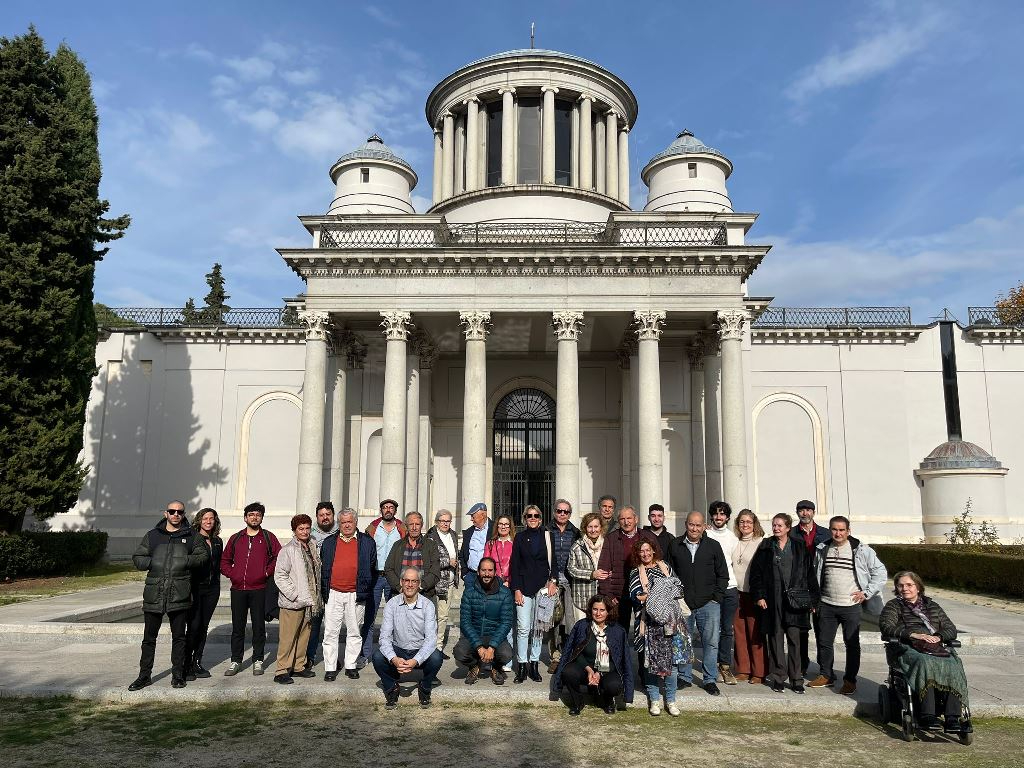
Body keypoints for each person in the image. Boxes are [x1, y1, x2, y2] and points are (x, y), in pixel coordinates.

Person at [129, 501, 209, 690]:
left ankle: (178, 675)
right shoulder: (153, 536)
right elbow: (138, 558)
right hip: (154, 593)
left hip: (179, 594)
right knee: (149, 639)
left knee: (179, 638)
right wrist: (154, 561)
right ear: (165, 513)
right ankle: (144, 676)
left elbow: (202, 556)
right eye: (172, 511)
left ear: (183, 514)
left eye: (179, 512)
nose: (175, 514)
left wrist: (183, 560)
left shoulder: (192, 536)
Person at [879, 572, 971, 733]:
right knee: (924, 662)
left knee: (954, 664)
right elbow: (887, 626)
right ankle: (927, 715)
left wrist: (938, 636)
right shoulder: (893, 606)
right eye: (900, 585)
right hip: (907, 647)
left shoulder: (932, 606)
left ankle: (952, 717)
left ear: (918, 587)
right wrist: (912, 634)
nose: (904, 589)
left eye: (909, 585)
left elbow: (951, 629)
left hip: (934, 646)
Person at [809, 515, 888, 695]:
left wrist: (866, 592)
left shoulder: (861, 550)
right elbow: (816, 575)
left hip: (850, 606)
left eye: (842, 530)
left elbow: (880, 572)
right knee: (824, 642)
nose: (838, 533)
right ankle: (826, 675)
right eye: (835, 529)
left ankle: (850, 680)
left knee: (851, 644)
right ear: (830, 530)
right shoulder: (823, 548)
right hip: (827, 604)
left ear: (848, 531)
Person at [750, 512, 819, 693]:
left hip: (795, 601)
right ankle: (779, 676)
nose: (776, 528)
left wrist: (813, 599)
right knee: (775, 638)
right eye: (774, 525)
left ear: (788, 528)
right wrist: (760, 596)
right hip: (773, 600)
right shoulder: (766, 546)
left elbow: (809, 574)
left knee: (795, 639)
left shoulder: (799, 546)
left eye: (780, 525)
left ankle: (797, 678)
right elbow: (756, 574)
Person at [667, 510, 728, 695]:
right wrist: (674, 598)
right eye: (691, 524)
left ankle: (709, 679)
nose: (694, 528)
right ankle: (685, 677)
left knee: (711, 642)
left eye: (698, 525)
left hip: (708, 603)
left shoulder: (713, 546)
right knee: (683, 642)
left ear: (704, 526)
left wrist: (716, 597)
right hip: (682, 604)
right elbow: (668, 573)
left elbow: (723, 575)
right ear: (686, 524)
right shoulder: (675, 545)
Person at [629, 539, 690, 716]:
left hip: (670, 623)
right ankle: (654, 700)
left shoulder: (666, 567)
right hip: (648, 623)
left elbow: (678, 589)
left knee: (672, 663)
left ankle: (671, 700)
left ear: (654, 551)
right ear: (638, 554)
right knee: (650, 663)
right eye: (642, 551)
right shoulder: (635, 572)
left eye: (648, 550)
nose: (645, 554)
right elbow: (634, 596)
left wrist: (655, 594)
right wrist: (658, 595)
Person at [221, 501, 281, 677]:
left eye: (258, 515)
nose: (254, 517)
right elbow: (225, 560)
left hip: (259, 588)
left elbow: (278, 557)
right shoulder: (236, 538)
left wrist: (266, 572)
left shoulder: (268, 537)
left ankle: (258, 660)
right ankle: (236, 660)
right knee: (237, 627)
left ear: (262, 518)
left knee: (258, 626)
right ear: (245, 517)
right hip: (238, 589)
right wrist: (233, 574)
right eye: (251, 514)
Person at [373, 567, 445, 709]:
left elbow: (431, 639)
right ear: (401, 582)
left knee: (437, 657)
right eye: (406, 580)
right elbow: (384, 638)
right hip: (399, 649)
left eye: (414, 581)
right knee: (377, 657)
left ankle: (424, 687)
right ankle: (391, 687)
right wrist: (394, 658)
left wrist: (415, 661)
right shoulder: (391, 604)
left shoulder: (428, 605)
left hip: (419, 650)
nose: (410, 585)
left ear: (419, 584)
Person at [553, 595, 635, 716]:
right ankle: (577, 702)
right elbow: (575, 652)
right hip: (585, 668)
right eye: (595, 609)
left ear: (608, 611)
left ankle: (606, 700)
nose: (598, 613)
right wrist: (589, 669)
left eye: (602, 610)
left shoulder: (617, 631)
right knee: (568, 672)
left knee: (614, 685)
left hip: (607, 670)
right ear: (590, 610)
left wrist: (599, 673)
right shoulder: (582, 626)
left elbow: (619, 659)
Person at [320, 509, 376, 681]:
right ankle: (330, 667)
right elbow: (324, 564)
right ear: (339, 523)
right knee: (330, 632)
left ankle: (351, 665)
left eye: (349, 521)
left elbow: (372, 565)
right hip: (334, 592)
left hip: (355, 593)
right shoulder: (329, 542)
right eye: (343, 522)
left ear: (356, 522)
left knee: (354, 631)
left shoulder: (367, 542)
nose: (346, 525)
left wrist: (364, 586)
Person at [510, 504, 558, 683]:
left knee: (538, 629)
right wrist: (516, 589)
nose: (532, 518)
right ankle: (522, 665)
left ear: (540, 518)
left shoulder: (547, 536)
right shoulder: (520, 538)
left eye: (536, 515)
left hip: (543, 588)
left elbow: (553, 561)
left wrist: (553, 581)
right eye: (529, 515)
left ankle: (534, 664)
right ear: (524, 518)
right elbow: (514, 564)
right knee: (523, 628)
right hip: (523, 587)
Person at [273, 514, 323, 684]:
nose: (304, 531)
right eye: (301, 528)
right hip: (292, 602)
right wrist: (294, 594)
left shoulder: (312, 546)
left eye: (307, 528)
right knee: (288, 637)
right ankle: (281, 670)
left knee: (303, 636)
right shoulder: (288, 550)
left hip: (309, 600)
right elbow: (280, 576)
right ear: (294, 530)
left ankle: (298, 666)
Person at [454, 557, 515, 685]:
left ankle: (496, 668)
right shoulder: (469, 592)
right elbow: (465, 622)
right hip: (474, 634)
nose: (486, 574)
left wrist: (492, 647)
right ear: (478, 571)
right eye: (483, 570)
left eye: (490, 570)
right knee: (459, 652)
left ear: (495, 572)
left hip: (494, 635)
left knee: (506, 653)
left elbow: (506, 622)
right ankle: (474, 666)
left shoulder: (505, 593)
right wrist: (479, 646)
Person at [361, 498, 407, 665]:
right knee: (369, 617)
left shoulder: (402, 528)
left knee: (395, 616)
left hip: (393, 577)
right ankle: (365, 654)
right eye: (385, 507)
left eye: (391, 508)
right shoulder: (372, 528)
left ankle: (394, 655)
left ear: (395, 511)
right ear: (381, 510)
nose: (388, 510)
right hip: (375, 576)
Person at [597, 505, 657, 632]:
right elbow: (603, 568)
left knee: (644, 631)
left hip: (644, 592)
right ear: (618, 521)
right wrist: (608, 594)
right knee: (618, 631)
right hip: (619, 594)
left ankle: (643, 653)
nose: (626, 522)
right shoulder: (611, 539)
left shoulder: (648, 536)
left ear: (636, 519)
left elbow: (658, 562)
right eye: (622, 519)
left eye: (629, 518)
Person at [184, 507, 223, 681]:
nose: (208, 521)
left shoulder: (217, 541)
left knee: (204, 626)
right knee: (193, 626)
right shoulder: (192, 539)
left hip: (212, 589)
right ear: (199, 520)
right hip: (196, 588)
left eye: (212, 519)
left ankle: (197, 661)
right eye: (205, 518)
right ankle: (185, 664)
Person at [705, 500, 739, 685]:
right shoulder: (705, 534)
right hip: (711, 589)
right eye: (716, 513)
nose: (719, 517)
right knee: (712, 631)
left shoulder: (733, 538)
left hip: (730, 588)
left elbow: (735, 564)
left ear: (727, 517)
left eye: (722, 514)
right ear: (711, 515)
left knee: (727, 630)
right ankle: (711, 667)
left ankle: (725, 666)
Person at [731, 509, 767, 684]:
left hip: (753, 594)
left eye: (748, 522)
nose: (745, 525)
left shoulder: (761, 542)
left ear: (755, 524)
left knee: (755, 634)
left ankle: (759, 671)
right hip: (736, 593)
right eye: (742, 522)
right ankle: (743, 669)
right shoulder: (734, 542)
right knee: (739, 633)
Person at [545, 498, 580, 672]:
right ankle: (555, 656)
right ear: (554, 512)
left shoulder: (575, 532)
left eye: (566, 512)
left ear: (570, 514)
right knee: (553, 621)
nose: (562, 514)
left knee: (569, 620)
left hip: (571, 581)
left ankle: (569, 654)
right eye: (559, 511)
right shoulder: (545, 530)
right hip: (551, 581)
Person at [795, 499, 829, 677]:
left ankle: (825, 669)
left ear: (813, 512)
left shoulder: (825, 534)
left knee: (822, 630)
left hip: (820, 588)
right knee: (801, 630)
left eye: (808, 510)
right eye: (801, 510)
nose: (805, 513)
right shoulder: (792, 533)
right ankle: (801, 664)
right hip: (799, 588)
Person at [304, 501, 338, 671]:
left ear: (333, 515)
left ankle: (332, 659)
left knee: (333, 625)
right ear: (317, 517)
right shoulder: (309, 534)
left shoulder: (342, 532)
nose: (325, 518)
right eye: (321, 515)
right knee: (314, 624)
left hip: (334, 585)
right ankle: (309, 657)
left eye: (328, 514)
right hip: (315, 586)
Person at [484, 513, 516, 672]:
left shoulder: (515, 543)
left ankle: (507, 660)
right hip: (493, 588)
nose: (503, 527)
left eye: (506, 524)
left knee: (507, 623)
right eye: (501, 524)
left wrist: (510, 580)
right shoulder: (490, 544)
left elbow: (519, 565)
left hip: (510, 588)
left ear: (510, 526)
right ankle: (491, 657)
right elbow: (485, 566)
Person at [384, 511, 441, 600]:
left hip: (425, 595)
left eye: (417, 524)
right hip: (400, 595)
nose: (414, 528)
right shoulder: (397, 545)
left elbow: (435, 570)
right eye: (411, 524)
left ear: (421, 526)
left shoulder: (431, 545)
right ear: (406, 526)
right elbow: (388, 568)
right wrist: (399, 587)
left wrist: (421, 586)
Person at [426, 509, 460, 652]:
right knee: (434, 615)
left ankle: (438, 646)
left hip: (450, 581)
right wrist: (448, 562)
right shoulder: (431, 536)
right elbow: (428, 560)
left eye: (448, 521)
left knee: (444, 615)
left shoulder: (452, 534)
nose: (445, 524)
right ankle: (431, 646)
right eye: (443, 521)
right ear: (437, 522)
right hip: (437, 582)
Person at [567, 512, 607, 623]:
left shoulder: (607, 544)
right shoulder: (577, 546)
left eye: (596, 526)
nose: (593, 530)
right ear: (585, 528)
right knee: (583, 632)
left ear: (601, 527)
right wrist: (591, 574)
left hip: (602, 596)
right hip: (582, 596)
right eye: (590, 527)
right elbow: (571, 569)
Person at [459, 502, 491, 583]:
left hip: (489, 577)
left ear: (483, 515)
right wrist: (464, 573)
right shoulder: (469, 532)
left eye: (473, 516)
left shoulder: (495, 529)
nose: (471, 519)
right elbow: (462, 553)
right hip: (471, 576)